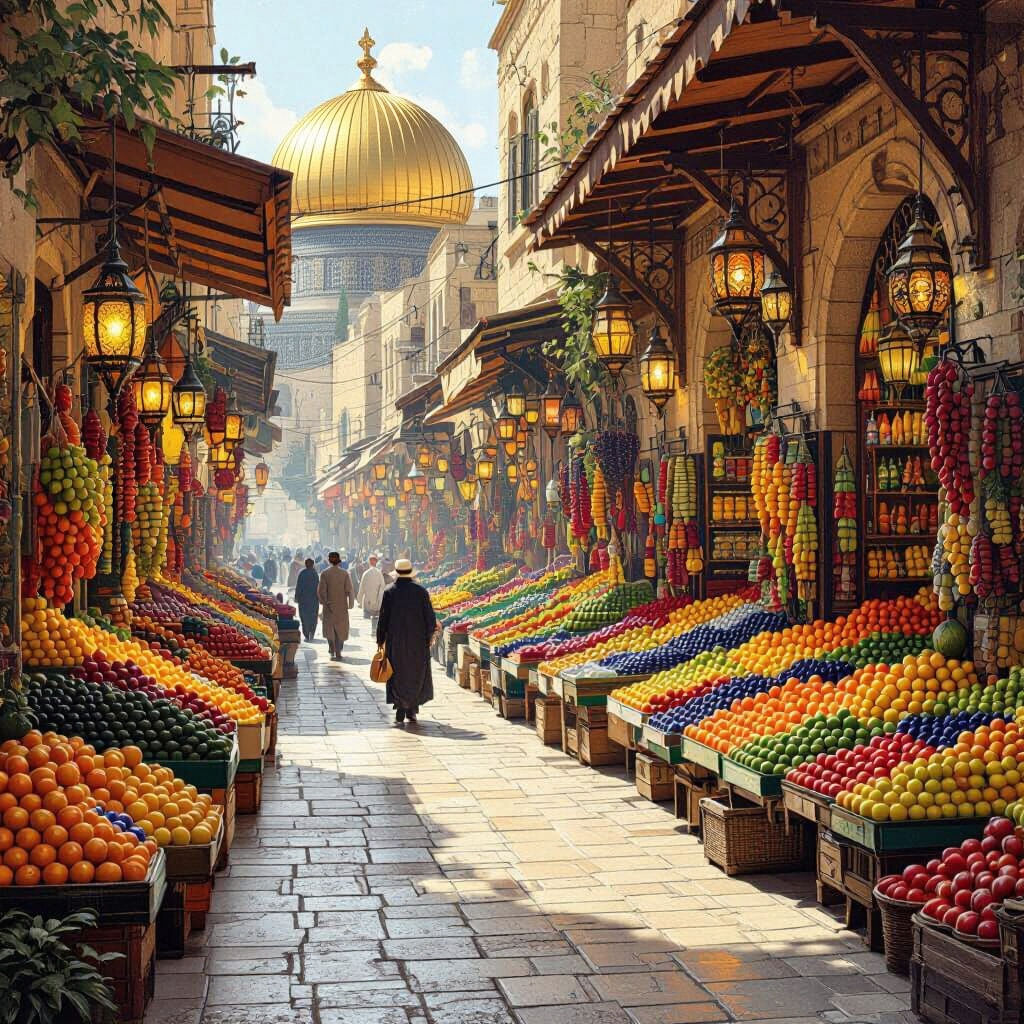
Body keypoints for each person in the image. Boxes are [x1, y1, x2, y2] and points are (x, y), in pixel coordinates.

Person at [376, 558, 437, 725]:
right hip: (417, 642)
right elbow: (430, 620)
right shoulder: (421, 592)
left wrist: (380, 639)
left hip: (396, 642)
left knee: (397, 673)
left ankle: (400, 708)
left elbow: (383, 620)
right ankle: (412, 709)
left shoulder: (389, 592)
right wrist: (428, 637)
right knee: (415, 674)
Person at [318, 551, 355, 660]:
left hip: (329, 606)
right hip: (342, 606)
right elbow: (350, 590)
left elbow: (321, 591)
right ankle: (338, 651)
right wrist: (351, 604)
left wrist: (324, 602)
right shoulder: (344, 574)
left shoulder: (324, 574)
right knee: (341, 629)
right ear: (339, 561)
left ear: (329, 560)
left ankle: (332, 648)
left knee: (330, 629)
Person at [357, 554, 386, 632]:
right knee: (376, 616)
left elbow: (361, 588)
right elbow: (383, 586)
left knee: (369, 616)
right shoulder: (379, 573)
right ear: (376, 562)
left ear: (369, 562)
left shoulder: (365, 573)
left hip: (368, 601)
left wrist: (359, 600)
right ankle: (374, 629)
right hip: (377, 601)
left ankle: (372, 630)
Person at [294, 558, 320, 641]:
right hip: (314, 600)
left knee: (304, 617)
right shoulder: (315, 574)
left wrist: (296, 597)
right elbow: (318, 587)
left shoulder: (302, 573)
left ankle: (306, 634)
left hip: (303, 600)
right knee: (313, 617)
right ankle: (311, 632)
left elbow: (299, 587)